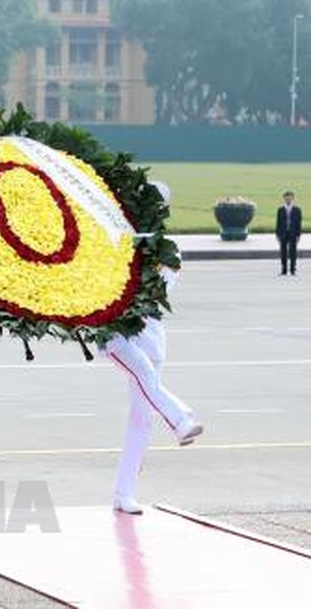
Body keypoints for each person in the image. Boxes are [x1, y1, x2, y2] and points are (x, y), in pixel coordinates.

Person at [108, 181, 204, 515]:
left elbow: (159, 290)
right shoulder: (117, 239)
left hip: (150, 336)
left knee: (141, 419)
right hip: (117, 334)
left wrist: (144, 252)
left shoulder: (169, 249)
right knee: (146, 377)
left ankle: (124, 493)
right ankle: (180, 418)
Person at [275, 190, 302, 276]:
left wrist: (298, 234)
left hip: (293, 233)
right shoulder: (280, 210)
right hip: (283, 233)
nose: (288, 200)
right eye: (286, 198)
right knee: (283, 252)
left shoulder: (297, 210)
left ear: (293, 199)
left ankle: (293, 269)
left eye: (289, 198)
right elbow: (278, 223)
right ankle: (284, 269)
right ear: (284, 199)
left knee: (293, 251)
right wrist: (277, 234)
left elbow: (299, 223)